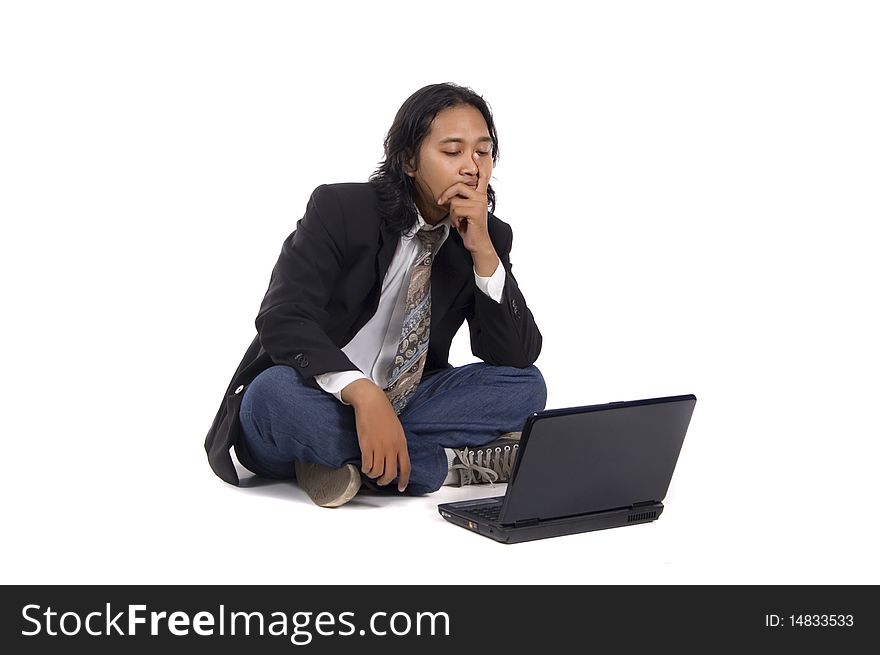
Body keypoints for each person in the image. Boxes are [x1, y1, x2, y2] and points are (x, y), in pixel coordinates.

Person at [204, 82, 547, 507]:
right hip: (314, 391)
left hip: (407, 399)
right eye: (452, 151)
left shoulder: (486, 236)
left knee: (526, 386)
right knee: (273, 395)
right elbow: (283, 317)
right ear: (408, 160)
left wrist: (484, 253)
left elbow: (515, 355)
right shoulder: (340, 210)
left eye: (483, 151)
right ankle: (445, 466)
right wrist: (362, 394)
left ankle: (340, 461)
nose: (472, 167)